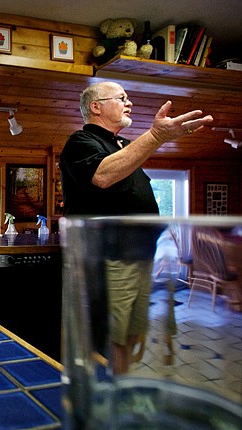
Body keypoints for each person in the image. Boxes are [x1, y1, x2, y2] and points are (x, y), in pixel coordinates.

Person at [59, 81, 213, 373]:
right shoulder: (80, 142)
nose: (129, 103)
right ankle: (110, 393)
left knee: (132, 330)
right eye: (121, 98)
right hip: (109, 258)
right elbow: (103, 176)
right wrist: (156, 135)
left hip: (139, 256)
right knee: (112, 332)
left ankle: (124, 383)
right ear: (96, 106)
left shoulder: (124, 145)